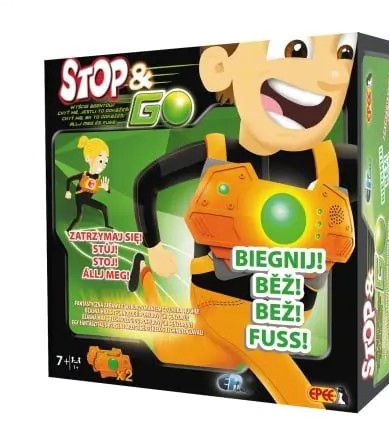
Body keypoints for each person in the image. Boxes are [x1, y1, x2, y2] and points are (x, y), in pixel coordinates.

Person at [131, 34, 358, 408]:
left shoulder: (332, 162)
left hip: (291, 312)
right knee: (293, 387)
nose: (332, 74)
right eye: (296, 49)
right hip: (222, 301)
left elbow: (383, 175)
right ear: (220, 69)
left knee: (180, 353)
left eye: (343, 53)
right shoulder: (218, 152)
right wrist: (153, 245)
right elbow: (147, 181)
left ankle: (144, 282)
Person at [65, 135, 112, 231]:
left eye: (105, 162)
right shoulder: (83, 175)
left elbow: (108, 190)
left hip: (87, 199)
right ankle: (68, 230)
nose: (103, 165)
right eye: (100, 160)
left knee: (104, 208)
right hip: (79, 198)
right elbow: (69, 179)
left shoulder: (98, 178)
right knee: (78, 217)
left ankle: (107, 225)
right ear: (88, 158)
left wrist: (107, 188)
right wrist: (68, 191)